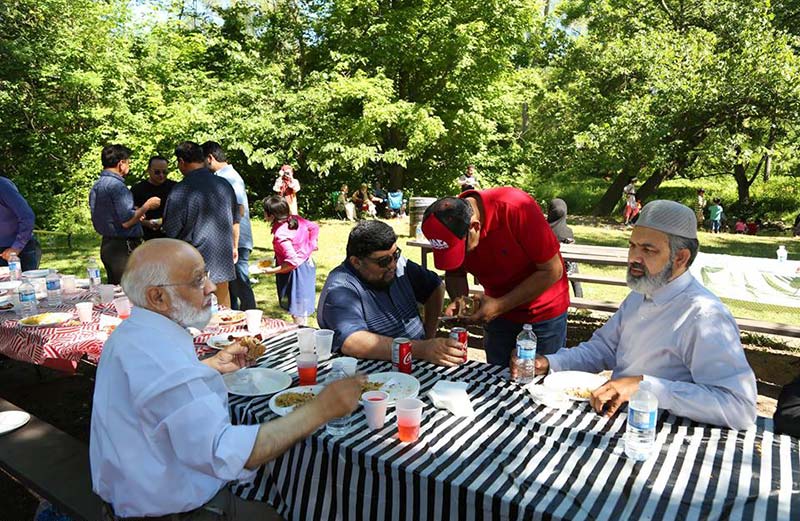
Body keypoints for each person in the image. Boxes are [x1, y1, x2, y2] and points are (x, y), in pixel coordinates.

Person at [90, 238, 364, 520]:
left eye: (206, 274)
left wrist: (210, 366)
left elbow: (159, 400)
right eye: (197, 280)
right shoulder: (156, 353)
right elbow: (226, 452)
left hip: (137, 500)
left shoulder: (135, 333)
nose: (210, 287)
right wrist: (322, 408)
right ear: (157, 297)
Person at [531, 200, 757, 430]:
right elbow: (604, 349)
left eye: (648, 250)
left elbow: (739, 408)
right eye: (632, 246)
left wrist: (647, 387)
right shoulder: (641, 294)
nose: (634, 258)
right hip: (615, 420)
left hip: (663, 438)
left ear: (680, 258)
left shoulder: (705, 316)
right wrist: (552, 362)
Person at [421, 188, 570, 366]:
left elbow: (552, 270)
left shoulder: (516, 207)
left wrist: (499, 305)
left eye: (459, 249)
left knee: (538, 384)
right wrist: (463, 304)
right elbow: (455, 273)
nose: (459, 255)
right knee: (497, 377)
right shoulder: (448, 221)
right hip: (497, 314)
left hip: (543, 314)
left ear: (474, 226)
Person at [317, 220, 465, 366]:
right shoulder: (341, 288)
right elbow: (353, 341)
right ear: (356, 262)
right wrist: (422, 348)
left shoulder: (399, 265)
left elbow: (435, 286)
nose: (393, 265)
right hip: (378, 375)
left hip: (417, 360)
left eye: (396, 254)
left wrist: (429, 335)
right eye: (383, 261)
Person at [162, 141, 240, 308]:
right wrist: (234, 246)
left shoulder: (181, 190)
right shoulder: (224, 185)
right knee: (224, 314)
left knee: (196, 318)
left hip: (192, 263)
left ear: (181, 162)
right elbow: (235, 219)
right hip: (222, 258)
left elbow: (171, 231)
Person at [89, 144, 160, 284]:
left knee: (116, 291)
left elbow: (109, 215)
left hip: (108, 246)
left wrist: (136, 211)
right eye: (128, 162)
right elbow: (127, 221)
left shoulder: (97, 185)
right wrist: (147, 206)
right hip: (124, 248)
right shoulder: (117, 186)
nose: (129, 166)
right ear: (121, 163)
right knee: (130, 292)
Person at [203, 141, 256, 311]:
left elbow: (238, 210)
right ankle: (232, 322)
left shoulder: (229, 178)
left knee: (241, 285)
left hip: (236, 240)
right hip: (229, 240)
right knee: (230, 289)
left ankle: (253, 321)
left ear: (210, 158)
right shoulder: (221, 177)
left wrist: (233, 241)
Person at [260, 195, 319, 325]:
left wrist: (270, 271)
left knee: (298, 311)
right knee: (300, 306)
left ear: (272, 215)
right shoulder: (294, 219)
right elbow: (314, 227)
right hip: (306, 265)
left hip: (297, 272)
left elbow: (292, 262)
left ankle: (302, 336)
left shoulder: (281, 235)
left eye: (265, 211)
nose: (263, 213)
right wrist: (311, 245)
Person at [130, 156, 176, 241]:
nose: (161, 175)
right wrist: (145, 223)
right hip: (145, 238)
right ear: (148, 170)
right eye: (157, 172)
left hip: (171, 237)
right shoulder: (137, 189)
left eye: (165, 172)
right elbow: (130, 217)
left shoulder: (175, 187)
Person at [0, 177, 41, 271]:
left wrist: (16, 248)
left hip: (17, 250)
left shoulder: (2, 185)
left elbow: (27, 216)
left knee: (24, 285)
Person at [547, 198, 583, 298]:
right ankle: (579, 296)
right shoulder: (568, 232)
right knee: (574, 267)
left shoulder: (544, 231)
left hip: (549, 269)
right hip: (568, 267)